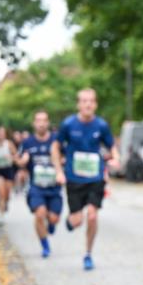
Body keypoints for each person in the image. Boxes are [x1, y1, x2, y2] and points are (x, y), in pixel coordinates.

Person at [53, 88, 119, 270]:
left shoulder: (101, 125)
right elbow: (55, 147)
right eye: (84, 101)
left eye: (91, 101)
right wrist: (58, 170)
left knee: (92, 216)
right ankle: (70, 221)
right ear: (78, 104)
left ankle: (88, 254)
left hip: (95, 178)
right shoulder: (68, 124)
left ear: (95, 104)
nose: (88, 104)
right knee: (77, 221)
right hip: (74, 179)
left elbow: (112, 146)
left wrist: (116, 158)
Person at [18, 111, 62, 258]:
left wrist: (61, 163)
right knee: (39, 214)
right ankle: (45, 246)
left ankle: (52, 223)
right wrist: (21, 163)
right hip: (36, 186)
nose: (41, 123)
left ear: (48, 123)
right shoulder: (28, 142)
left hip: (54, 187)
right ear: (34, 123)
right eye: (38, 120)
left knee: (54, 218)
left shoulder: (56, 141)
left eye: (44, 120)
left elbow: (66, 156)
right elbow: (21, 160)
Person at [0, 127, 18, 214]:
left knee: (7, 193)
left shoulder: (9, 144)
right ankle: (1, 213)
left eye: (3, 134)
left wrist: (10, 157)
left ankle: (6, 202)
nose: (1, 135)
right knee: (1, 192)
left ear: (5, 135)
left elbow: (16, 156)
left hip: (8, 169)